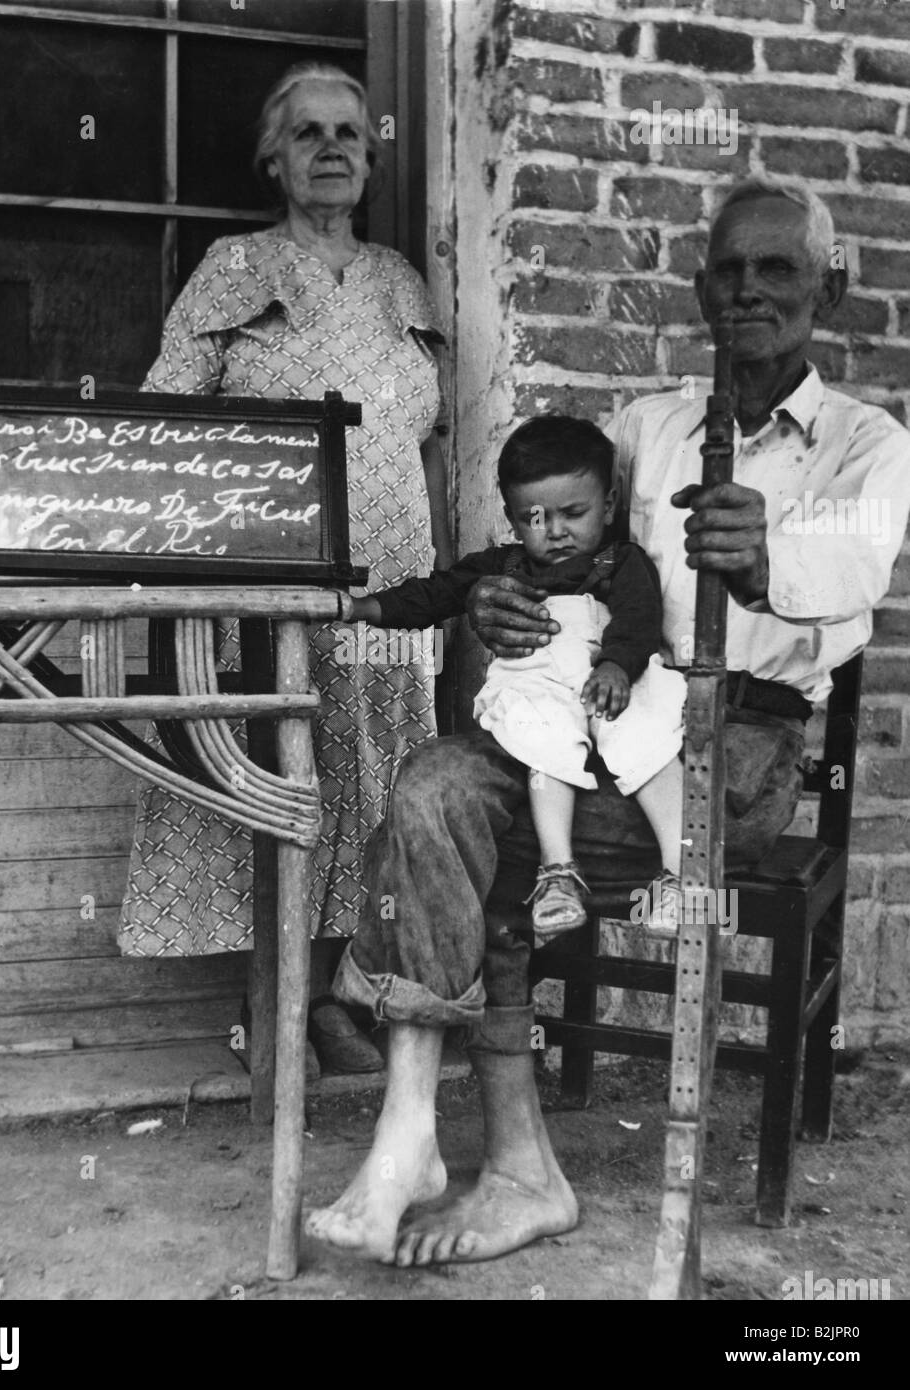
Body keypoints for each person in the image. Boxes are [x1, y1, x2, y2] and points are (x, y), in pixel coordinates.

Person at [305, 176, 910, 1265]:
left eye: (776, 270)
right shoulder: (648, 427)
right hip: (596, 716)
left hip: (731, 746)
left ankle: (510, 1166)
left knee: (477, 854)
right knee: (433, 788)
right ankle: (416, 1135)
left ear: (829, 285)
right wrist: (501, 604)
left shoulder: (864, 443)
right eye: (727, 270)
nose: (747, 292)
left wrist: (767, 554)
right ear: (695, 288)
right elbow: (572, 554)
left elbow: (859, 565)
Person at [116, 63, 452, 1074]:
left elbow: (431, 445)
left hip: (391, 589)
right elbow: (163, 425)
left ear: (374, 152)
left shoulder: (402, 281)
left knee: (377, 796)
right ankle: (269, 1009)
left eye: (350, 132)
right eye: (307, 133)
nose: (332, 149)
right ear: (275, 157)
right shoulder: (233, 267)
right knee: (272, 781)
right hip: (269, 585)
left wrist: (443, 589)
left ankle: (334, 1006)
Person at [350, 414, 687, 938]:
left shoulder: (620, 561)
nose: (554, 532)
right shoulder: (503, 567)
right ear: (511, 518)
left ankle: (680, 875)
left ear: (610, 504)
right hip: (541, 688)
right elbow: (435, 594)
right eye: (534, 517)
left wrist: (619, 664)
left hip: (611, 678)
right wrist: (361, 609)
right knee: (541, 745)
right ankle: (558, 873)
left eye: (574, 513)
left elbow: (639, 618)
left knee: (648, 738)